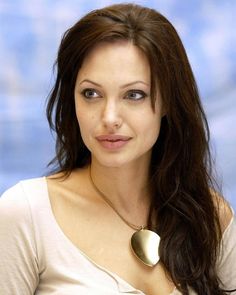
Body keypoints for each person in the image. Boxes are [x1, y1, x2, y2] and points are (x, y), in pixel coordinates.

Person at [0, 3, 235, 295]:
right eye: (91, 94)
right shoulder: (26, 214)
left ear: (167, 102)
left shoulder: (210, 217)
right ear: (71, 99)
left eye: (134, 95)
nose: (109, 118)